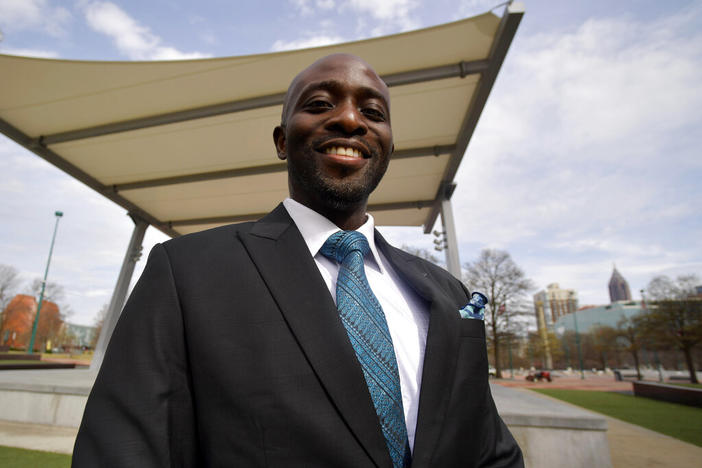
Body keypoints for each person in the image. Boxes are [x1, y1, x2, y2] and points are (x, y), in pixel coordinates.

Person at [72, 53, 523, 468]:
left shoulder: (447, 291)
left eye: (373, 112)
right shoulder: (184, 271)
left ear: (387, 146)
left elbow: (490, 450)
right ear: (282, 140)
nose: (349, 119)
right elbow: (123, 451)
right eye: (322, 103)